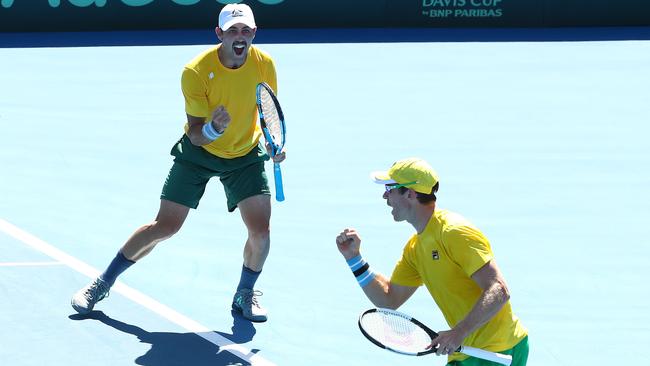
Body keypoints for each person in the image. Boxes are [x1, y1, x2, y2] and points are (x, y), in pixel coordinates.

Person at [71, 3, 284, 322]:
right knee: (165, 227)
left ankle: (244, 295)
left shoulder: (265, 64)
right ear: (219, 34)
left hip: (244, 155)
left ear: (253, 33)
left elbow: (267, 112)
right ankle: (102, 282)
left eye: (245, 31)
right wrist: (215, 128)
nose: (239, 37)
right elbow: (197, 135)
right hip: (199, 154)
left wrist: (272, 144)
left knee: (261, 233)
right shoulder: (196, 72)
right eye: (232, 31)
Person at [335, 158, 528, 365]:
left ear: (410, 193)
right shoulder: (414, 249)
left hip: (498, 348)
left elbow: (499, 290)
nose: (384, 196)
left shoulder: (454, 232)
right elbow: (389, 300)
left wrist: (459, 332)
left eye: (389, 188)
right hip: (466, 354)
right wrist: (354, 259)